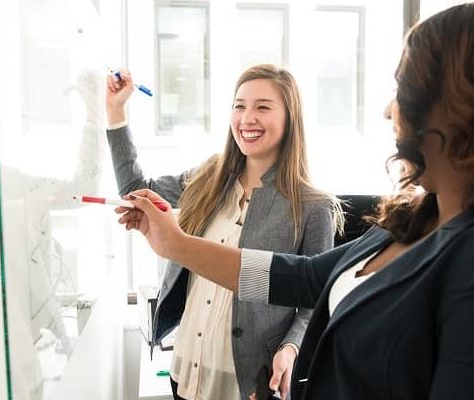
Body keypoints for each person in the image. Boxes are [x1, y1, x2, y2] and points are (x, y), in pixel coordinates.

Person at [116, 4, 474, 399]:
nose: (389, 111)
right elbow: (302, 277)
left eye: (403, 91)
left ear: (462, 107)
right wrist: (176, 245)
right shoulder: (417, 218)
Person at [105, 64, 341, 400]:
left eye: (262, 107)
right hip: (186, 368)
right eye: (239, 105)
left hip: (248, 381)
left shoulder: (313, 206)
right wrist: (116, 110)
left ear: (290, 118)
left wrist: (291, 347)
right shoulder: (209, 177)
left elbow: (315, 300)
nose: (247, 118)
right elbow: (135, 189)